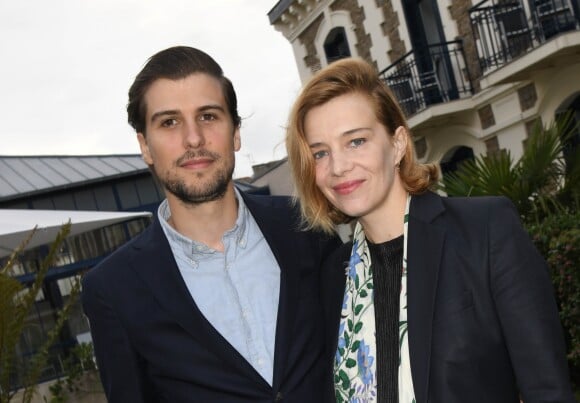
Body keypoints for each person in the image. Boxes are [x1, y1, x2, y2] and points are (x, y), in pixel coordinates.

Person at [285, 57, 575, 403]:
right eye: (320, 153)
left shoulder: (484, 231)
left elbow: (547, 389)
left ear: (397, 145)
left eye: (356, 141)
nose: (339, 166)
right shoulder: (333, 276)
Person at [81, 46, 341, 402]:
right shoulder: (113, 290)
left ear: (235, 132)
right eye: (169, 122)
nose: (193, 139)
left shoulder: (308, 225)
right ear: (145, 145)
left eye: (208, 116)